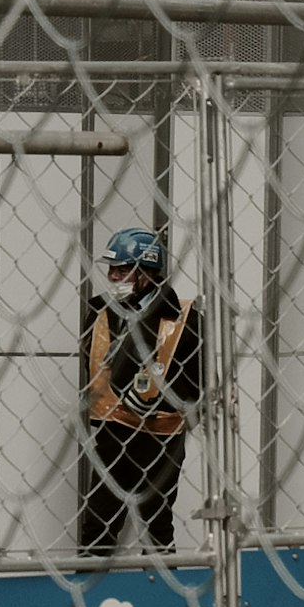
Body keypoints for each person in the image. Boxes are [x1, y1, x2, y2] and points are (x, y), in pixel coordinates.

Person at [79, 227, 203, 555]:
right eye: (111, 269)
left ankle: (163, 597)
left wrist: (162, 397)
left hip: (161, 441)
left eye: (121, 270)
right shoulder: (98, 312)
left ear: (145, 273)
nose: (112, 276)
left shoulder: (186, 319)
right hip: (111, 435)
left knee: (157, 527)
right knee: (98, 525)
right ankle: (89, 598)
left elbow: (200, 382)